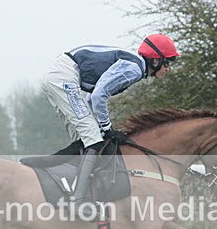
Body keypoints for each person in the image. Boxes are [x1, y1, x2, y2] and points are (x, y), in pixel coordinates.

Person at [41, 33, 180, 218]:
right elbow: (99, 95)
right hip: (65, 77)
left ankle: (69, 187)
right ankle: (78, 203)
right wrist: (107, 128)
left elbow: (91, 98)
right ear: (155, 61)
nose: (168, 69)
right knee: (93, 139)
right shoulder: (135, 69)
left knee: (86, 139)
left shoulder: (134, 65)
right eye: (167, 63)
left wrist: (102, 128)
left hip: (61, 76)